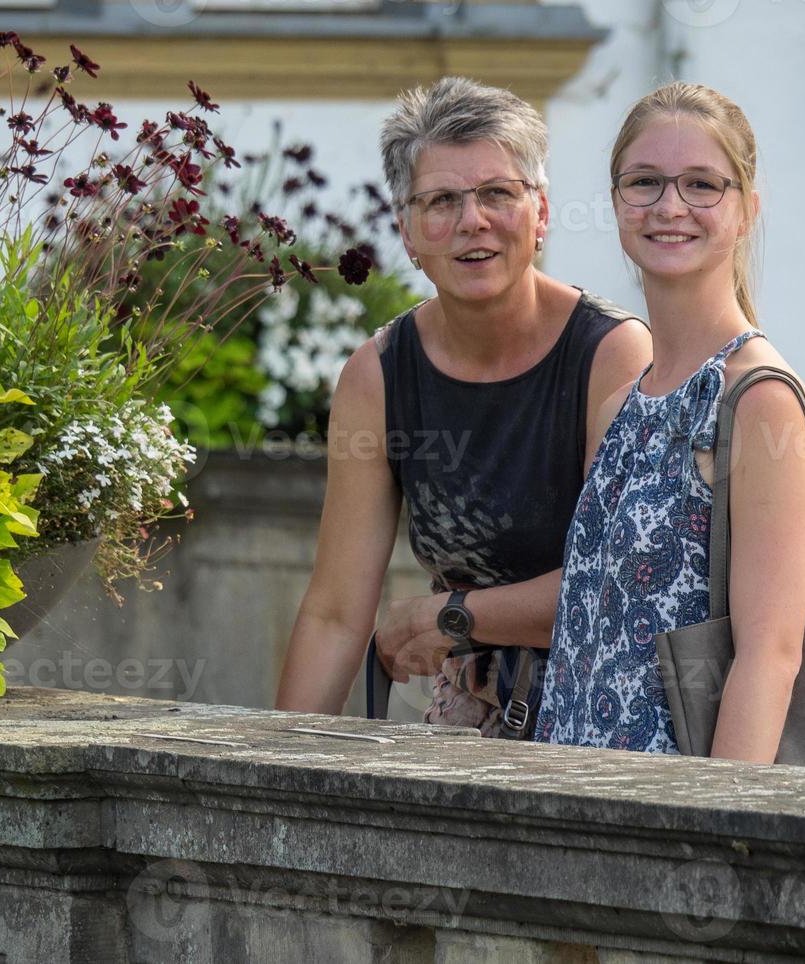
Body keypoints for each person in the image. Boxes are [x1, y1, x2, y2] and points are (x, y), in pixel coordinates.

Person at [275, 76, 652, 734]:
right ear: (408, 232)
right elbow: (336, 611)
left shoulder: (611, 356)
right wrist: (267, 776)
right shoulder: (379, 376)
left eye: (496, 194)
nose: (472, 220)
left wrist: (443, 614)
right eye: (441, 200)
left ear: (539, 214)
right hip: (470, 721)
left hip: (608, 721)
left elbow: (617, 590)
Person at [535, 82, 805, 761]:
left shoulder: (758, 399)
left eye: (702, 184)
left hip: (667, 824)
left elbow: (771, 656)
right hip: (568, 802)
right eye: (644, 182)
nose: (669, 206)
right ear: (615, 203)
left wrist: (708, 844)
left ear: (746, 210)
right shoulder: (619, 404)